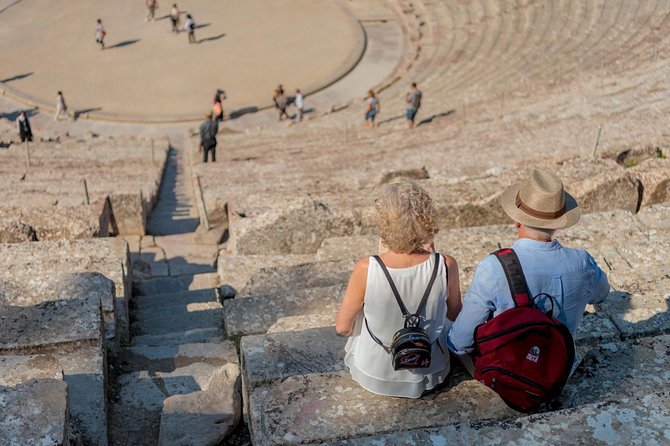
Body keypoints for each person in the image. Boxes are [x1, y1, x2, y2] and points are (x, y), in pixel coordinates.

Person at [447, 169, 610, 375]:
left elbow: (461, 342)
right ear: (558, 223)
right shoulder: (583, 262)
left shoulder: (494, 267)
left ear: (516, 221)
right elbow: (602, 295)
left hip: (508, 374)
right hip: (559, 371)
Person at [336, 178, 462, 398]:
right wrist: (433, 258)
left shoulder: (367, 267)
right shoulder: (446, 264)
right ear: (427, 218)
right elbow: (454, 314)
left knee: (361, 309)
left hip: (376, 374)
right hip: (431, 371)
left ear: (384, 222)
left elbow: (343, 328)